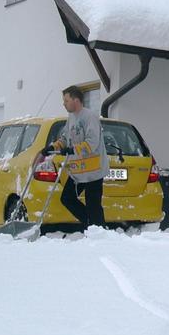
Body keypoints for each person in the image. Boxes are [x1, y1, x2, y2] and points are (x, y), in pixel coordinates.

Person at [46, 85, 109, 230]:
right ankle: (91, 224)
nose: (64, 104)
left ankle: (99, 230)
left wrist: (72, 149)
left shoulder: (89, 116)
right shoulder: (71, 118)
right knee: (67, 198)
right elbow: (65, 137)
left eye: (66, 100)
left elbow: (92, 142)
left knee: (93, 205)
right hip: (78, 170)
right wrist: (53, 147)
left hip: (93, 169)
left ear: (76, 100)